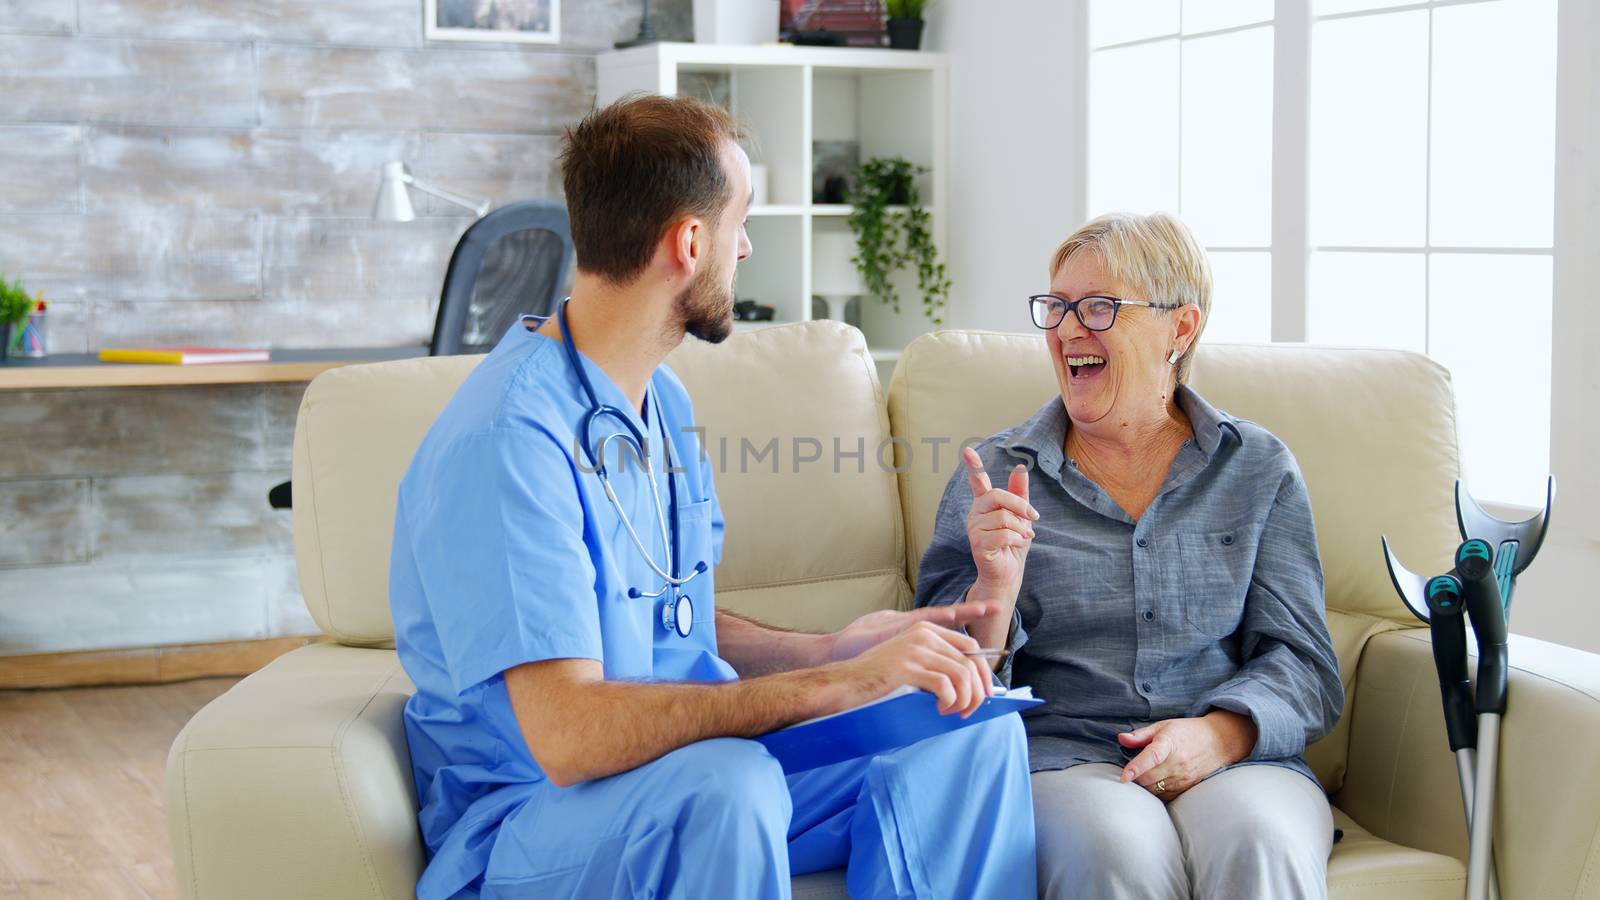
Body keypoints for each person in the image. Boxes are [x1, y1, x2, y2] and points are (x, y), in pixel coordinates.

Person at [388, 93, 1037, 900]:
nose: (749, 246)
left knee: (964, 733)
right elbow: (567, 736)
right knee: (726, 789)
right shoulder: (508, 441)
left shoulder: (661, 405)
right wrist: (832, 687)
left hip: (693, 773)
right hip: (535, 816)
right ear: (690, 243)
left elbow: (664, 615)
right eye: (742, 224)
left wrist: (834, 649)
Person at [915, 211, 1344, 899]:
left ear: (1181, 328)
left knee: (1259, 842)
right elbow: (933, 684)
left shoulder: (1256, 468)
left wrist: (1220, 736)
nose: (1066, 329)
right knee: (1114, 851)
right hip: (1064, 758)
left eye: (1098, 307)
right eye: (1055, 308)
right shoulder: (996, 473)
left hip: (1232, 759)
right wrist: (994, 591)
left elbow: (1306, 664)